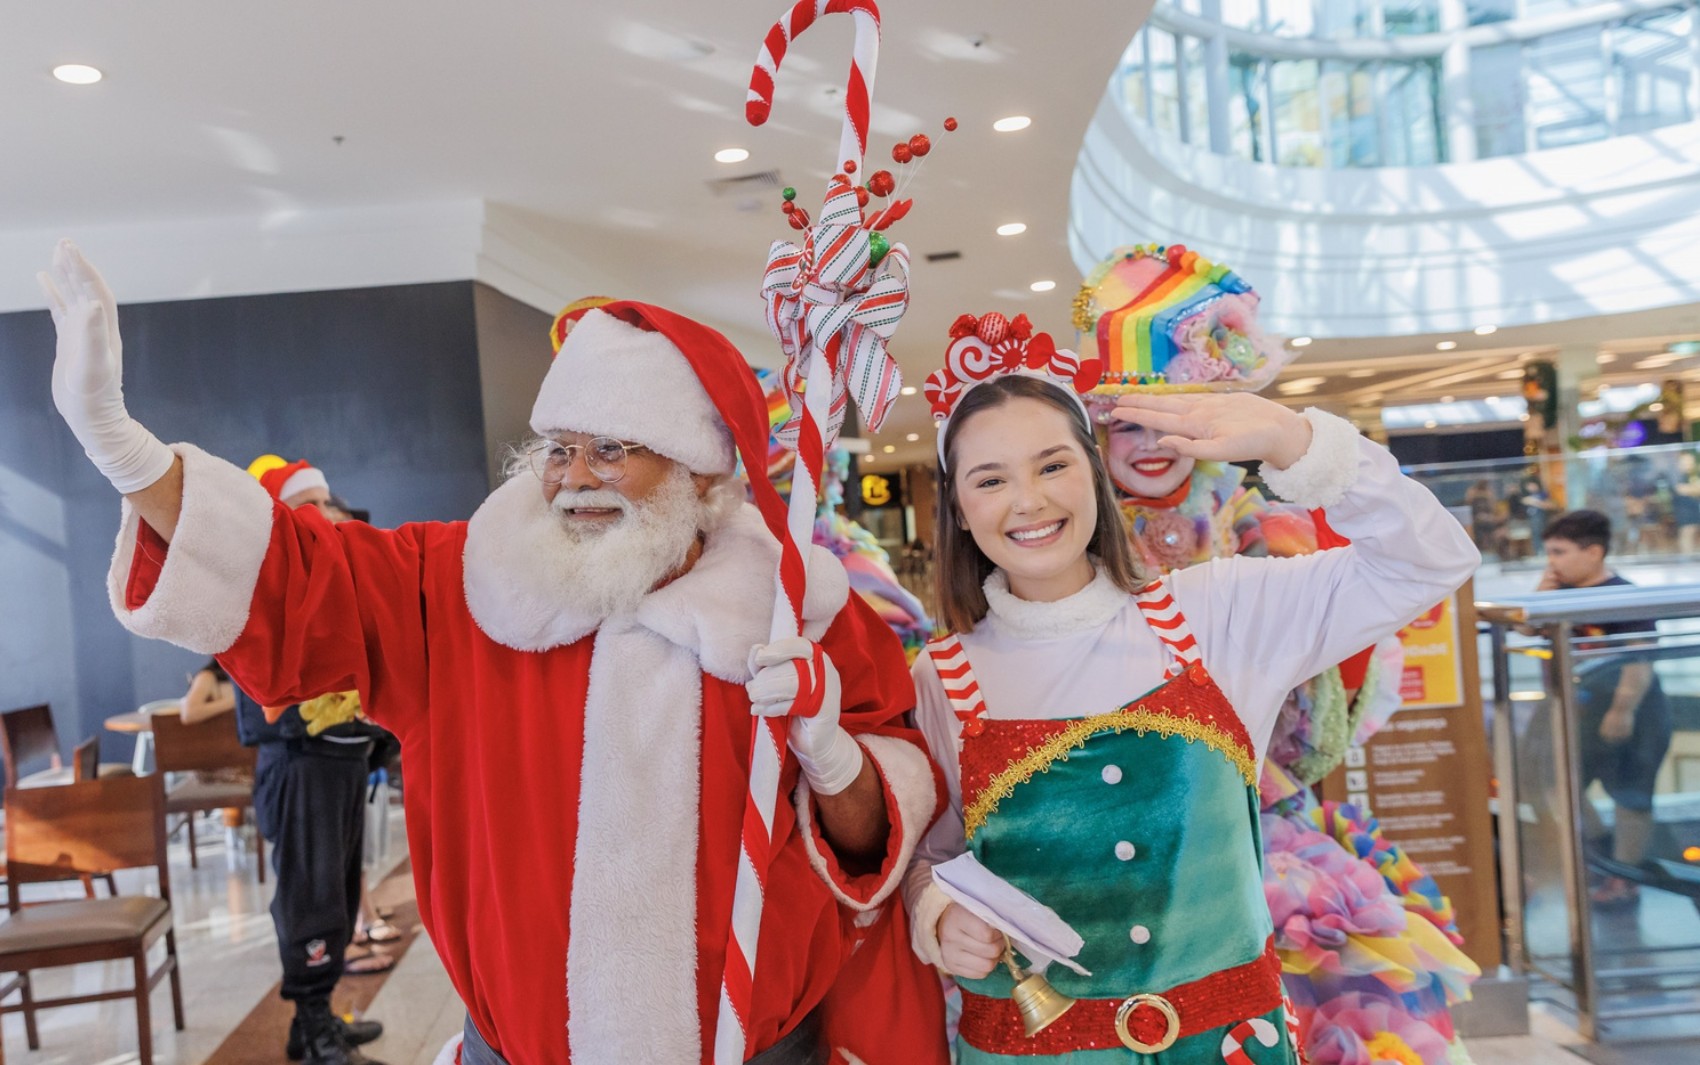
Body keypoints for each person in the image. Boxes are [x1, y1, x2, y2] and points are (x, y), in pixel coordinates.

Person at [38, 243, 944, 1065]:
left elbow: (874, 840)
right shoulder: (455, 588)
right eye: (558, 447)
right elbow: (294, 574)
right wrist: (126, 453)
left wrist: (833, 752)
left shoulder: (803, 614)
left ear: (703, 473)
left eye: (612, 448)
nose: (574, 477)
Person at [900, 314, 1479, 1064]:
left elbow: (1428, 562)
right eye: (990, 479)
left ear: (1093, 470)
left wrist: (1293, 440)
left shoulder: (1219, 613)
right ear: (959, 506)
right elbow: (934, 851)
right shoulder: (942, 674)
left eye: (1052, 465)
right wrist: (938, 911)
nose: (1028, 501)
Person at [228, 459, 390, 1063]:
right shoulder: (261, 583)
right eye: (314, 501)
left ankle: (315, 1018)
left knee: (342, 891)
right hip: (300, 763)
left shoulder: (331, 574)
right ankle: (313, 1021)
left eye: (328, 498)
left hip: (342, 759)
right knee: (310, 895)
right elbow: (263, 696)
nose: (330, 509)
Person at [1538, 509, 1673, 909]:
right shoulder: (1558, 590)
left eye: (1560, 552)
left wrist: (1623, 708)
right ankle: (1604, 855)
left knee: (1631, 793)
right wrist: (1542, 594)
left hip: (1634, 712)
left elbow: (1638, 660)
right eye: (1549, 553)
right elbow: (1525, 629)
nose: (1553, 562)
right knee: (1553, 784)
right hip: (1580, 709)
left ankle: (1624, 878)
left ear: (1594, 552)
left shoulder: (1623, 594)